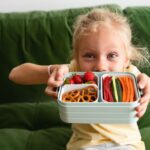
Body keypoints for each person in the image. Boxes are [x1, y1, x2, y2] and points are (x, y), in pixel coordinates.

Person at [9, 8, 150, 150]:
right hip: (85, 145)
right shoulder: (74, 71)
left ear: (126, 59)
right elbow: (15, 74)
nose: (101, 66)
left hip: (126, 144)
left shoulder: (130, 73)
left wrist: (147, 85)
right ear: (76, 58)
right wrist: (53, 70)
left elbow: (145, 82)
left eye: (112, 55)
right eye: (89, 55)